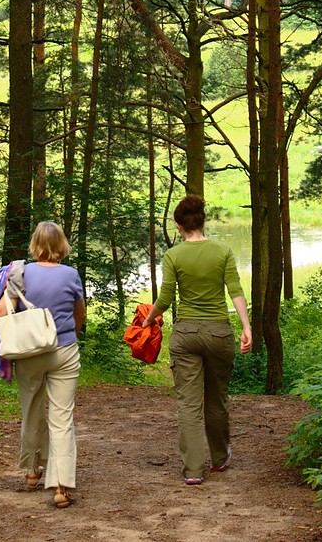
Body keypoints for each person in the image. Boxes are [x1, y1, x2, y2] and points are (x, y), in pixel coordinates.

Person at [143, 194, 252, 485]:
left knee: (189, 405)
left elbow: (165, 298)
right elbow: (236, 290)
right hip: (219, 333)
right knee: (217, 400)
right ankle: (219, 459)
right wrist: (246, 327)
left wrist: (148, 319)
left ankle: (193, 470)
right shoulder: (223, 251)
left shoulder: (174, 255)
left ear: (179, 225)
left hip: (186, 335)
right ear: (202, 221)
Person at [0, 221, 86, 508]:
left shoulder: (19, 272)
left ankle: (32, 472)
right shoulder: (71, 275)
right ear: (61, 246)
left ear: (35, 245)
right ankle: (60, 486)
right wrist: (68, 333)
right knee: (62, 418)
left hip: (29, 353)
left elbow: (0, 312)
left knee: (31, 409)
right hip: (64, 351)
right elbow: (79, 316)